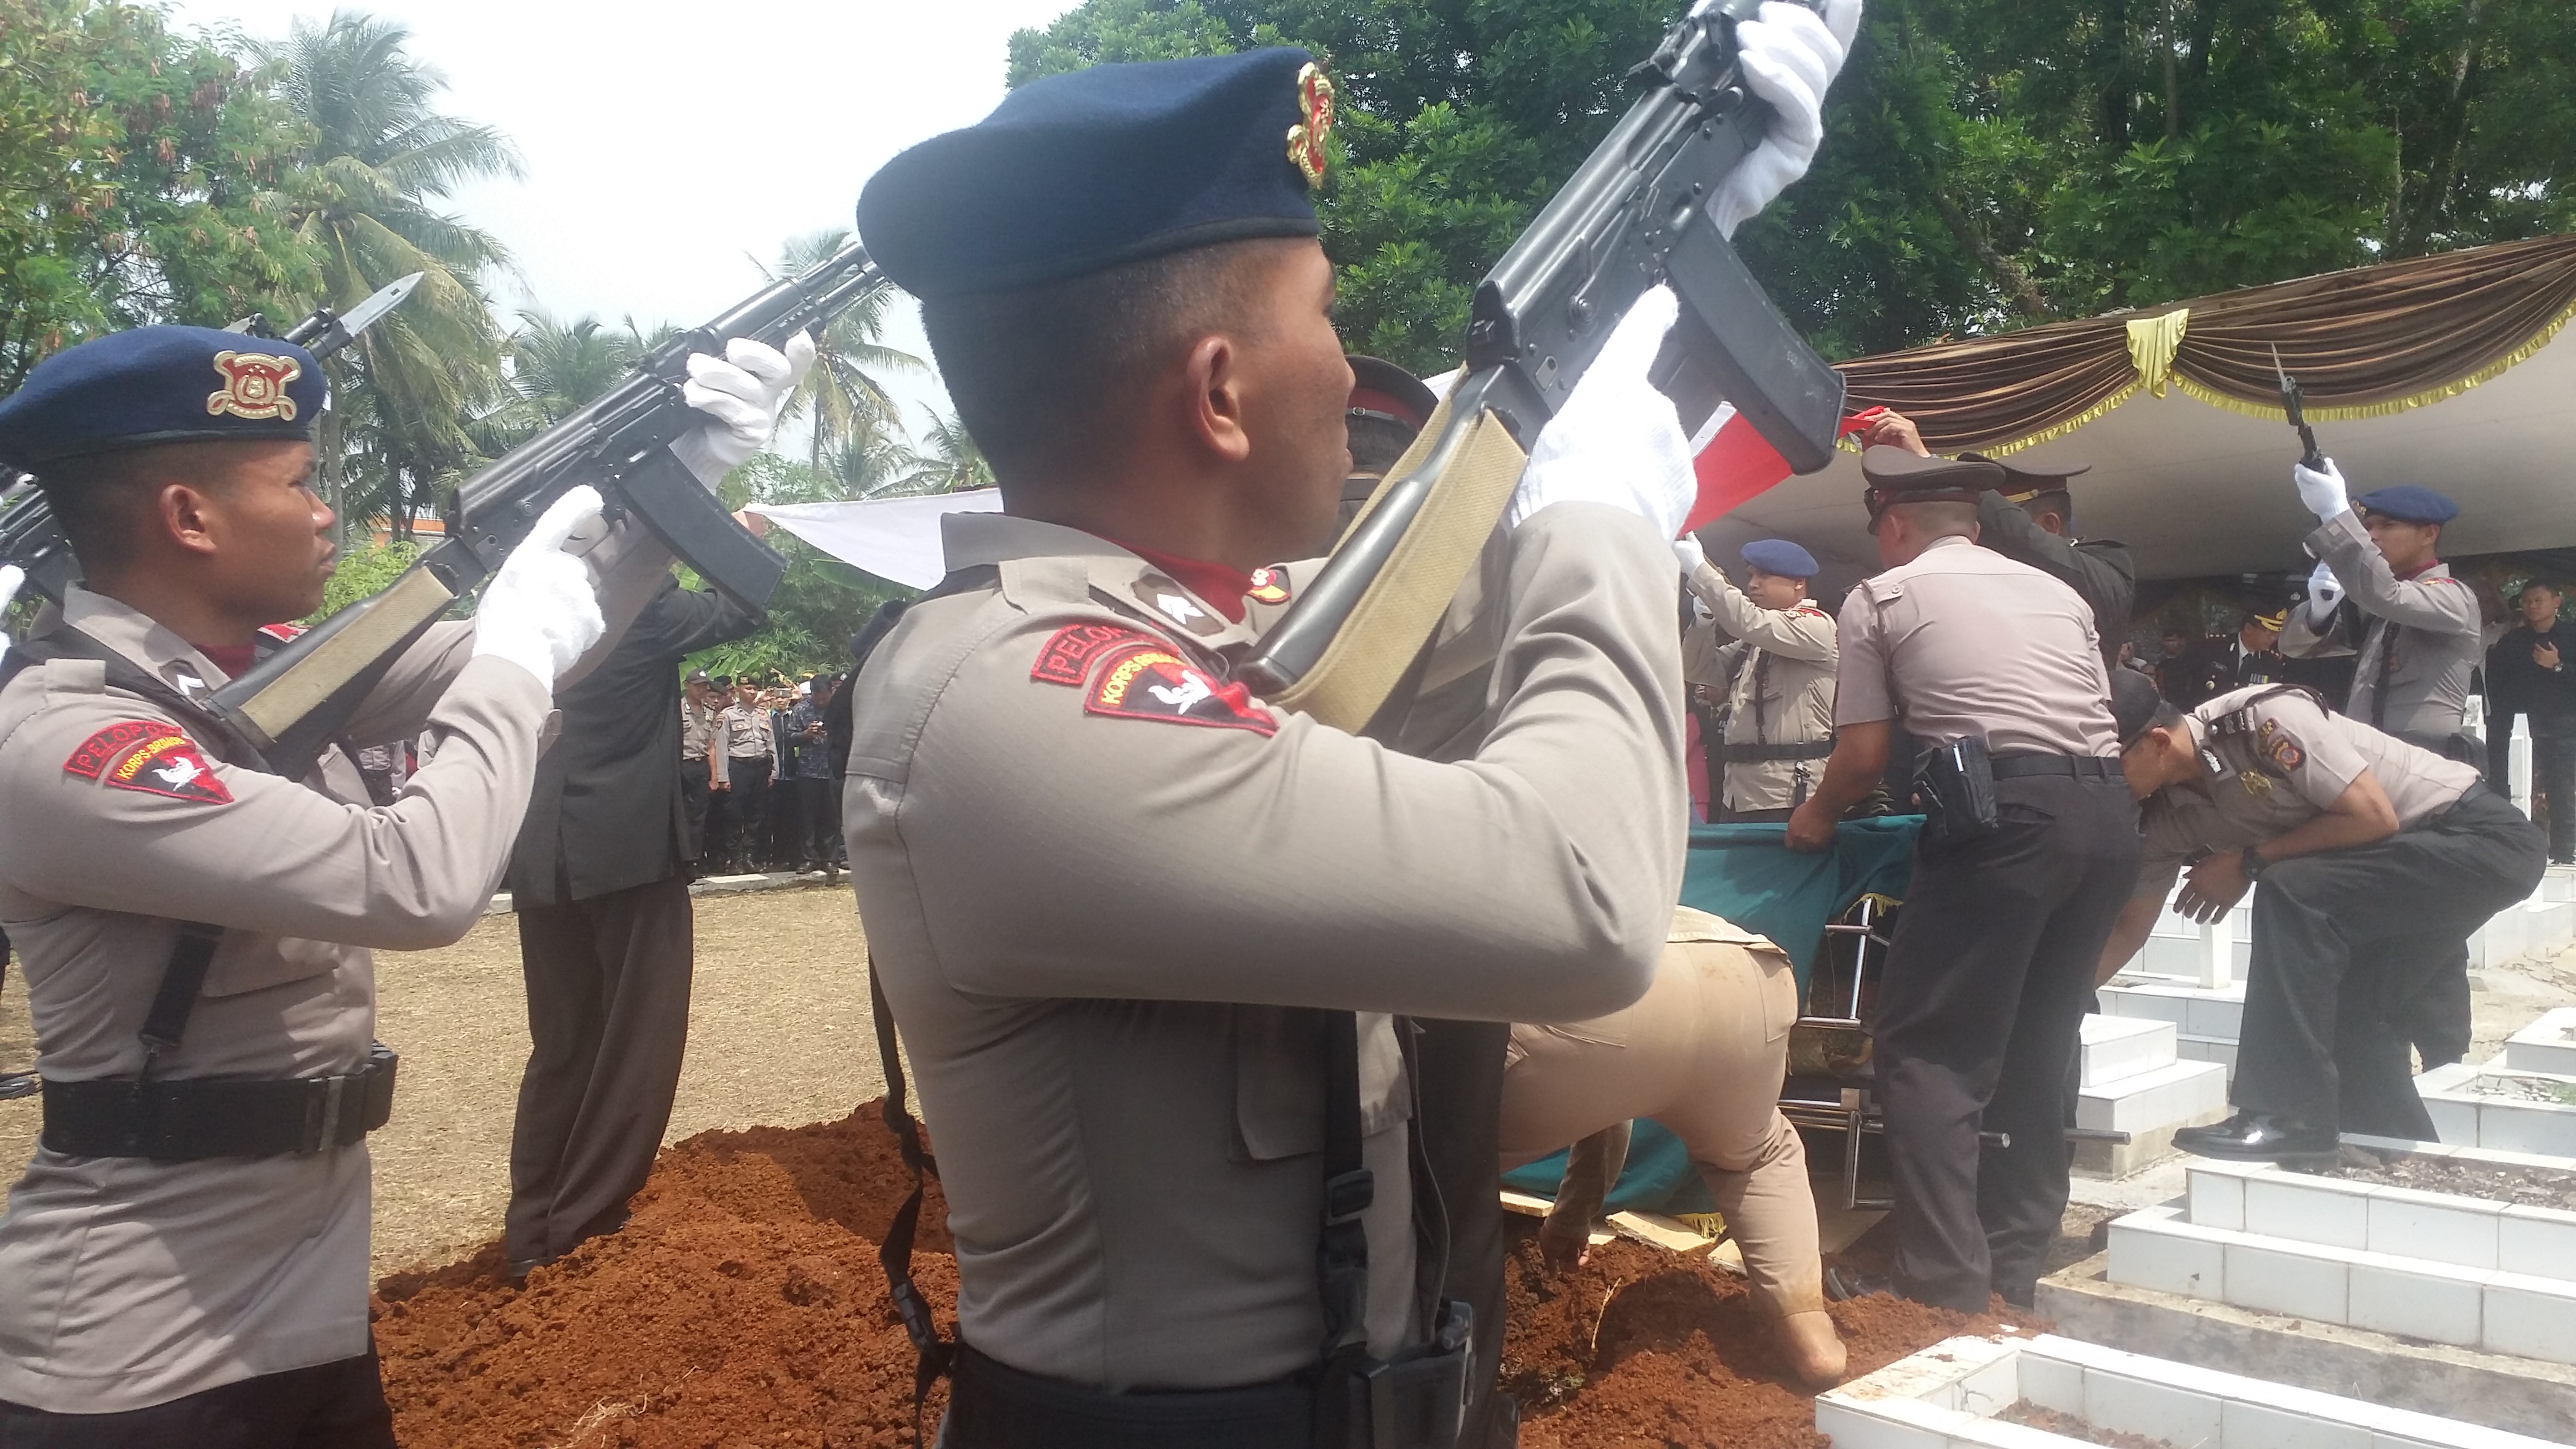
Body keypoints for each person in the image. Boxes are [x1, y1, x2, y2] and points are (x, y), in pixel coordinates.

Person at [842, 19, 1855, 1438]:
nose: (1350, 366)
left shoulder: (1178, 637)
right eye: (1324, 315)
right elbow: (1582, 894)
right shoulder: (1017, 695)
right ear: (1217, 390)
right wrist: (1603, 514)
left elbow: (1431, 614)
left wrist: (1673, 248)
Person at [0, 323, 665, 1442]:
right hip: (143, 1361)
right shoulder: (68, 736)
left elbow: (549, 643)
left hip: (304, 1324)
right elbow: (414, 881)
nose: (323, 514)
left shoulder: (248, 675)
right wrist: (512, 652)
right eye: (301, 482)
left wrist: (669, 481)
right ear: (189, 517)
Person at [1782, 446, 2139, 1314]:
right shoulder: (2061, 592)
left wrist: (1816, 817)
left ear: (1895, 525)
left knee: (1929, 1052)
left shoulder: (1881, 596)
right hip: (2109, 819)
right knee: (2038, 1042)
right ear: (1976, 526)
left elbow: (1863, 757)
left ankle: (1939, 1281)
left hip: (2002, 824)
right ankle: (2015, 1264)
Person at [499, 334, 806, 1281]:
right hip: (626, 848)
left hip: (546, 850)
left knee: (563, 1048)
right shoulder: (638, 610)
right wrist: (748, 534)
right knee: (635, 1046)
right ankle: (584, 1224)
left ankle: (533, 1224)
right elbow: (745, 605)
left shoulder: (529, 605)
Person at [2096, 671, 2545, 1155]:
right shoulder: (2167, 816)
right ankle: (2396, 1159)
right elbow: (2127, 929)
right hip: (2400, 869)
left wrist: (2248, 862)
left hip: (2476, 840)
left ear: (2158, 742)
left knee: (2289, 889)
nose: (2100, 785)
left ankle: (2283, 1114)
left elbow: (2373, 816)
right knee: (2350, 1021)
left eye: (2107, 767)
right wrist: (2059, 1001)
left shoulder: (2260, 721)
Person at [1498, 907, 1845, 1387]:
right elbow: (1613, 1102)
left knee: (1434, 1165)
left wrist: (1574, 1214)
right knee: (1756, 1158)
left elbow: (1608, 1092)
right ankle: (1810, 1337)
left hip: (1593, 999)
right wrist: (1573, 1215)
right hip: (1746, 977)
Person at [1858, 413, 2134, 666]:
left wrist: (1929, 463)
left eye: (1980, 521)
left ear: (2049, 526)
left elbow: (2027, 544)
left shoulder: (2108, 569)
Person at [2278, 472, 2483, 754]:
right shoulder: (2375, 606)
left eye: (2388, 525)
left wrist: (2334, 513)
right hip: (2368, 754)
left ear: (2429, 534)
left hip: (2424, 760)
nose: (2372, 535)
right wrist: (2319, 612)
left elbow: (2388, 596)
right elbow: (2292, 646)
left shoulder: (2453, 597)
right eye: (2367, 526)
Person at [1674, 535, 1836, 822]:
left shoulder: (1815, 625)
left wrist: (1701, 572)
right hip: (1740, 792)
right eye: (1751, 576)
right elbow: (1698, 669)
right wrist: (1704, 622)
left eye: (1764, 576)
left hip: (1789, 791)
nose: (1753, 584)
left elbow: (1747, 621)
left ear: (1798, 582)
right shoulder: (1754, 644)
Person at [2486, 580, 2576, 863]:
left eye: (2539, 600)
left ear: (2556, 602)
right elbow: (2498, 684)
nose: (2533, 606)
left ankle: (2564, 851)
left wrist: (2558, 666)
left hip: (2563, 722)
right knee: (2513, 784)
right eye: (2527, 601)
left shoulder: (2571, 635)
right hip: (2521, 723)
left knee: (2562, 787)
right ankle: (2515, 847)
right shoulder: (2512, 642)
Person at [781, 675, 839, 876]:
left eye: (825, 698)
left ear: (831, 692)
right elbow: (790, 736)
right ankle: (809, 859)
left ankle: (830, 859)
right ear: (812, 694)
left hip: (832, 770)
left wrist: (832, 735)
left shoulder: (838, 710)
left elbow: (849, 734)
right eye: (818, 698)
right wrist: (806, 734)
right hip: (808, 771)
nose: (821, 702)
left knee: (831, 818)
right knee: (808, 818)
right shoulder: (801, 710)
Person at [718, 674, 776, 872]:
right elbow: (721, 747)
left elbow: (771, 744)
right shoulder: (728, 715)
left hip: (760, 767)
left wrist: (774, 771)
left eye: (754, 689)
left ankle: (750, 857)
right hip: (738, 767)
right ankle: (735, 858)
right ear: (737, 691)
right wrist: (723, 776)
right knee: (734, 814)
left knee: (756, 814)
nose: (751, 692)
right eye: (747, 688)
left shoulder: (763, 714)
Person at [680, 668, 723, 874]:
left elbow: (711, 747)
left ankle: (694, 861)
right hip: (682, 766)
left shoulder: (710, 712)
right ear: (687, 686)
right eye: (697, 685)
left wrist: (714, 776)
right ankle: (680, 860)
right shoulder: (677, 709)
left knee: (698, 817)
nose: (701, 689)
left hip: (701, 767)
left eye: (704, 686)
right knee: (681, 816)